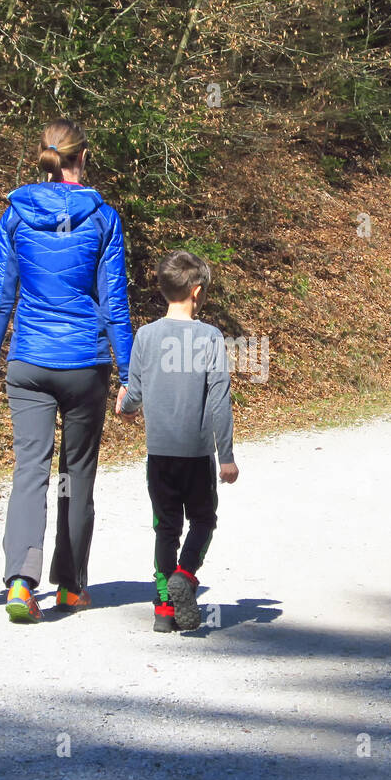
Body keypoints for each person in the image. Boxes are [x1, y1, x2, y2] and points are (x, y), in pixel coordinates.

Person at [0, 118, 134, 623]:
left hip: (27, 361)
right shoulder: (104, 217)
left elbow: (1, 297)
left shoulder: (16, 215)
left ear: (42, 156)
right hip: (84, 364)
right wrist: (129, 372)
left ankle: (21, 584)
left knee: (30, 471)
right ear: (82, 157)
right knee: (77, 474)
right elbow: (114, 305)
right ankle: (70, 586)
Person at [117, 250, 238, 632]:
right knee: (203, 519)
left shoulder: (145, 336)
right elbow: (219, 400)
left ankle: (164, 610)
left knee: (165, 527)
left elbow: (133, 395)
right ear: (197, 291)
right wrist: (227, 457)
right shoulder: (210, 337)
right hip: (197, 454)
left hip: (160, 455)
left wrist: (125, 407)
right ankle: (185, 575)